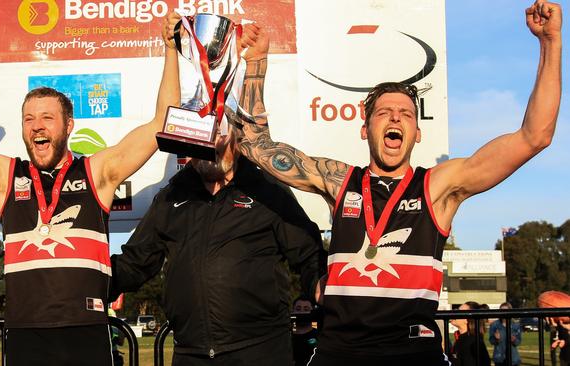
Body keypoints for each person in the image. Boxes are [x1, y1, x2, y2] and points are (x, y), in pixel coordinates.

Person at [233, 1, 562, 364]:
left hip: (413, 354)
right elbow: (254, 145)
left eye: (405, 113)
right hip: (340, 354)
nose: (395, 117)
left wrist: (550, 41)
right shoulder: (339, 180)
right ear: (365, 128)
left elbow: (535, 136)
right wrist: (256, 63)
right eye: (384, 112)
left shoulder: (439, 187)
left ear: (417, 133)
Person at [0, 14, 180, 366]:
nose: (37, 126)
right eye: (29, 119)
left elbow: (164, 121)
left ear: (69, 125)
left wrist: (170, 49)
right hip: (27, 333)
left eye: (47, 118)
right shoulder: (5, 176)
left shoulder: (96, 172)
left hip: (86, 330)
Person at [110, 17, 325, 366]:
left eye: (221, 137)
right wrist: (83, 278)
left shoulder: (266, 188)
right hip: (191, 354)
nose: (212, 150)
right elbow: (136, 263)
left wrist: (322, 285)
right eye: (202, 140)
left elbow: (309, 252)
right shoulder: (173, 196)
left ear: (237, 139)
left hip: (261, 353)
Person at [449, 301, 490, 366]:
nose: (454, 312)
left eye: (459, 311)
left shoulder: (471, 343)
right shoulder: (462, 338)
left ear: (467, 320)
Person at [291, 297, 319, 366]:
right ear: (293, 310)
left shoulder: (319, 334)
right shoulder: (287, 333)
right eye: (298, 309)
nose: (302, 312)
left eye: (306, 309)